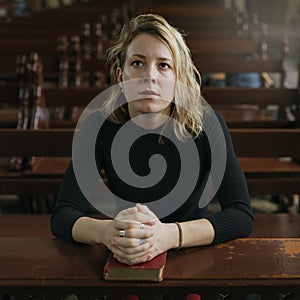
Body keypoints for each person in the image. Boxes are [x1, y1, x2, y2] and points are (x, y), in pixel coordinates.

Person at [51, 14, 253, 266]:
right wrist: (108, 233)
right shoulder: (99, 126)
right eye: (137, 63)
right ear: (121, 77)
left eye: (164, 65)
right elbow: (63, 214)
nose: (150, 76)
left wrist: (170, 235)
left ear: (177, 79)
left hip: (190, 253)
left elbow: (241, 215)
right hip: (127, 251)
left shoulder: (206, 124)